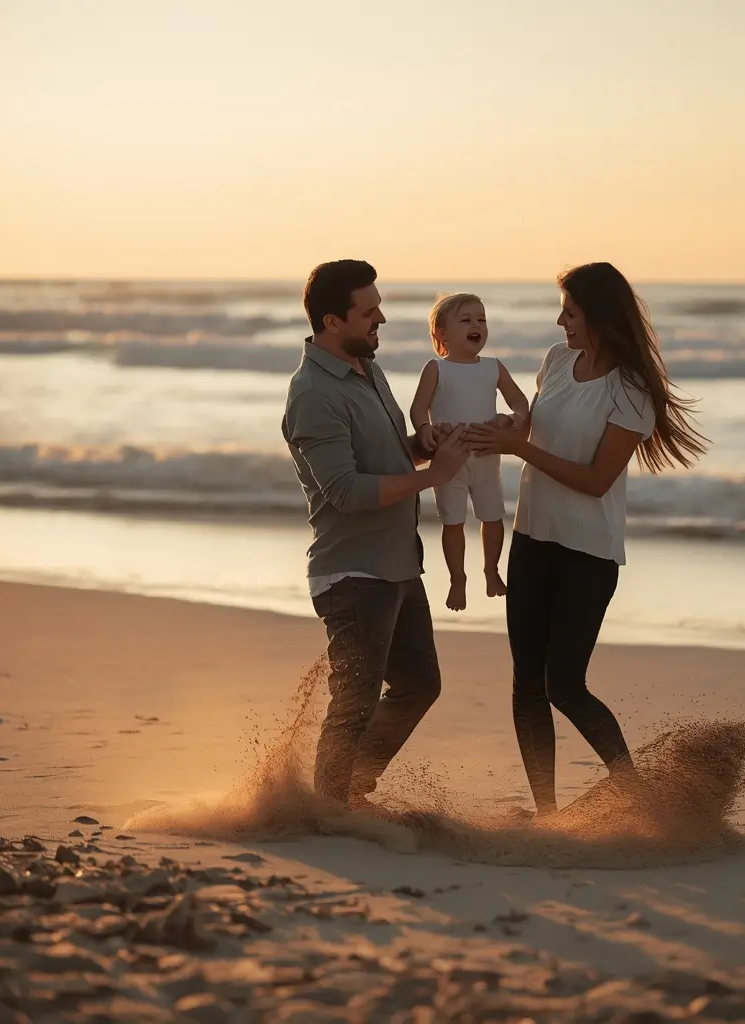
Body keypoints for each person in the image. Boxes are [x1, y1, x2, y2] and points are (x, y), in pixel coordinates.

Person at [468, 262, 707, 815]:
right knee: (527, 682)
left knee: (565, 685)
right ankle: (548, 814)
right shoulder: (556, 362)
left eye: (570, 312)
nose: (561, 321)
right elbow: (534, 430)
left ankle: (639, 796)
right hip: (532, 538)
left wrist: (520, 452)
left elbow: (597, 481)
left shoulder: (631, 390)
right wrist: (499, 432)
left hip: (588, 554)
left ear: (597, 316)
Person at [281, 260, 469, 807]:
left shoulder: (368, 368)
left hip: (397, 564)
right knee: (354, 702)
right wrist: (431, 478)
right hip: (353, 573)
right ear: (332, 321)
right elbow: (345, 491)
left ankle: (346, 789)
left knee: (419, 686)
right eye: (369, 311)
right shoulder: (313, 394)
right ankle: (331, 809)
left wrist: (426, 445)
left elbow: (383, 458)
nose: (381, 317)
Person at [409, 293, 529, 611]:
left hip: (487, 456)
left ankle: (491, 570)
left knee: (493, 517)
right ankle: (457, 579)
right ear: (442, 333)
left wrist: (514, 420)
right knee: (454, 522)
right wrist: (425, 430)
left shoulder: (493, 367)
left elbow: (519, 401)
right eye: (466, 320)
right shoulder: (436, 369)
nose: (476, 325)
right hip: (450, 460)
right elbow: (418, 408)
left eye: (481, 319)